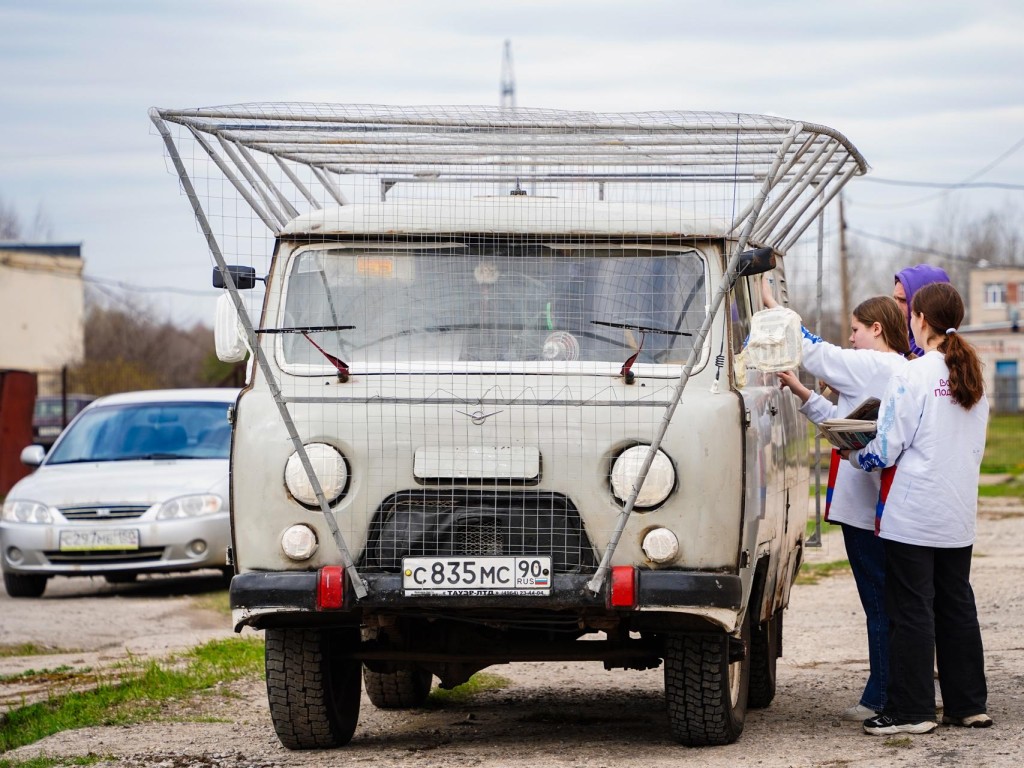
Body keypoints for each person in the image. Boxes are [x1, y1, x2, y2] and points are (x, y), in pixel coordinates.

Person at [846, 282, 991, 736]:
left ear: (921, 320)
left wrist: (854, 454)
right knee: (956, 606)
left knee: (911, 610)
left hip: (912, 515)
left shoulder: (912, 376)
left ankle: (913, 711)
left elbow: (886, 446)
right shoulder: (973, 376)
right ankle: (968, 705)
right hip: (956, 513)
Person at [765, 283, 912, 722]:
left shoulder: (872, 364)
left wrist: (774, 306)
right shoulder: (892, 368)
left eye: (855, 330)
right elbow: (845, 421)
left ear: (877, 329)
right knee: (882, 601)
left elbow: (814, 350)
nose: (850, 339)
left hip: (867, 511)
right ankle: (880, 689)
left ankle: (884, 695)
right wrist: (803, 393)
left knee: (879, 603)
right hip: (872, 507)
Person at [893, 264, 949, 357]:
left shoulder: (934, 354)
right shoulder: (903, 343)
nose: (895, 307)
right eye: (894, 298)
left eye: (903, 300)